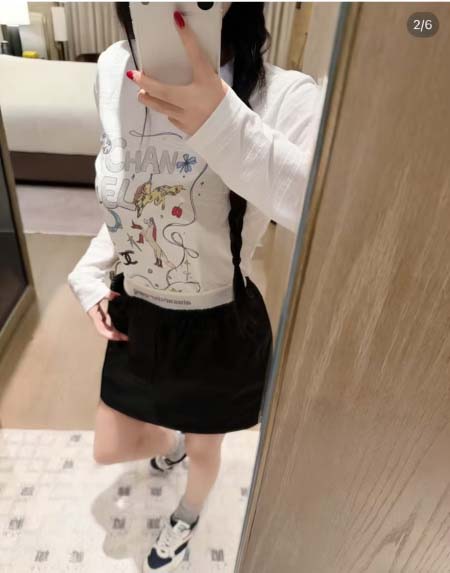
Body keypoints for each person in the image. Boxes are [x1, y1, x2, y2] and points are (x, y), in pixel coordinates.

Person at [67, 3, 320, 572]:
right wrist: (90, 272)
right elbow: (128, 194)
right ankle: (178, 438)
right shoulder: (113, 68)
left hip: (218, 321)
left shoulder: (285, 95)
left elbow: (319, 209)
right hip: (140, 311)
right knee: (111, 446)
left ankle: (186, 515)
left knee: (206, 449)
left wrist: (221, 121)